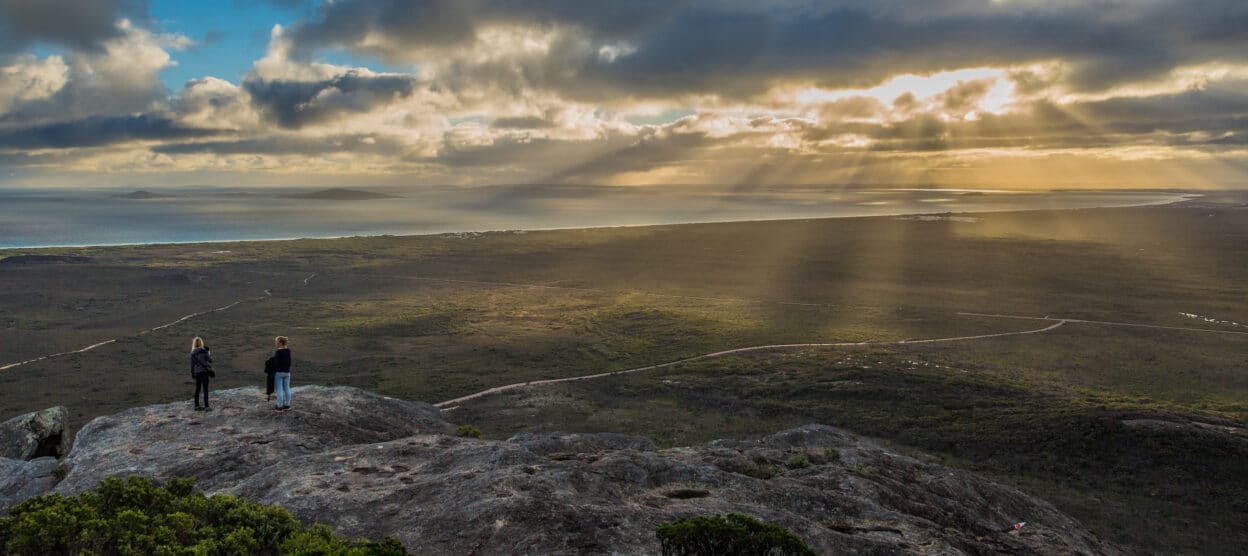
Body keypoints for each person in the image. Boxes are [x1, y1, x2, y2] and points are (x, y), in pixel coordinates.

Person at [190, 337, 214, 411]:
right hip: (204, 371)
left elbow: (192, 365)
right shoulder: (204, 351)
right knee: (205, 389)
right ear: (201, 343)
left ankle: (197, 406)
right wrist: (209, 353)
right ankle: (206, 406)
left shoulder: (192, 353)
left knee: (198, 389)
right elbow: (210, 360)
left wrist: (193, 374)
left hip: (197, 372)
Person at [272, 336, 292, 412]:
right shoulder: (288, 350)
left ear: (280, 342)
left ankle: (279, 407)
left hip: (279, 373)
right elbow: (289, 362)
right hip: (287, 372)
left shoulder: (278, 352)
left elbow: (276, 363)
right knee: (287, 388)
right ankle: (287, 405)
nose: (275, 342)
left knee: (279, 389)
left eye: (276, 341)